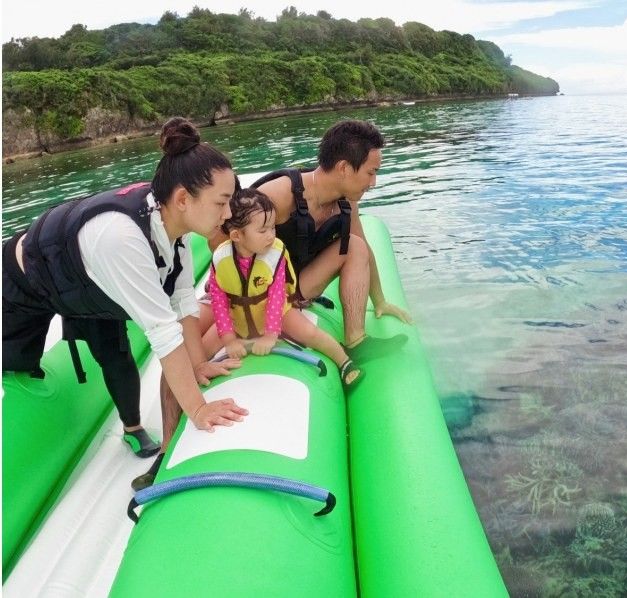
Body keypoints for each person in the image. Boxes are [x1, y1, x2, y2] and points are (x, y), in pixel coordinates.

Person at [2, 117, 248, 464]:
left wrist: (197, 363)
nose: (227, 215)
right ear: (182, 198)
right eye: (221, 202)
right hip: (27, 279)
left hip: (91, 285)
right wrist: (198, 408)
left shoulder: (176, 234)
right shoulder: (124, 238)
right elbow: (162, 332)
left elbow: (181, 303)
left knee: (115, 354)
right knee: (12, 363)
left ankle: (132, 429)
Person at [252, 119, 412, 363]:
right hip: (260, 295)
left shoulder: (347, 202)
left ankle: (356, 341)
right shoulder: (279, 195)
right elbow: (225, 241)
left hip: (297, 288)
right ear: (344, 168)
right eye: (371, 172)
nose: (373, 183)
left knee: (355, 245)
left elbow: (363, 249)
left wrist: (380, 301)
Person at [202, 188, 365, 391]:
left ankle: (343, 362)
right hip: (237, 318)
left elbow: (277, 296)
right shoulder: (221, 259)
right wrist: (229, 339)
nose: (271, 236)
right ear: (236, 235)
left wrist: (270, 335)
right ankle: (196, 377)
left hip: (277, 314)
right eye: (263, 231)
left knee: (310, 333)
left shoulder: (275, 255)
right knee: (201, 350)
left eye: (272, 228)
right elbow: (218, 300)